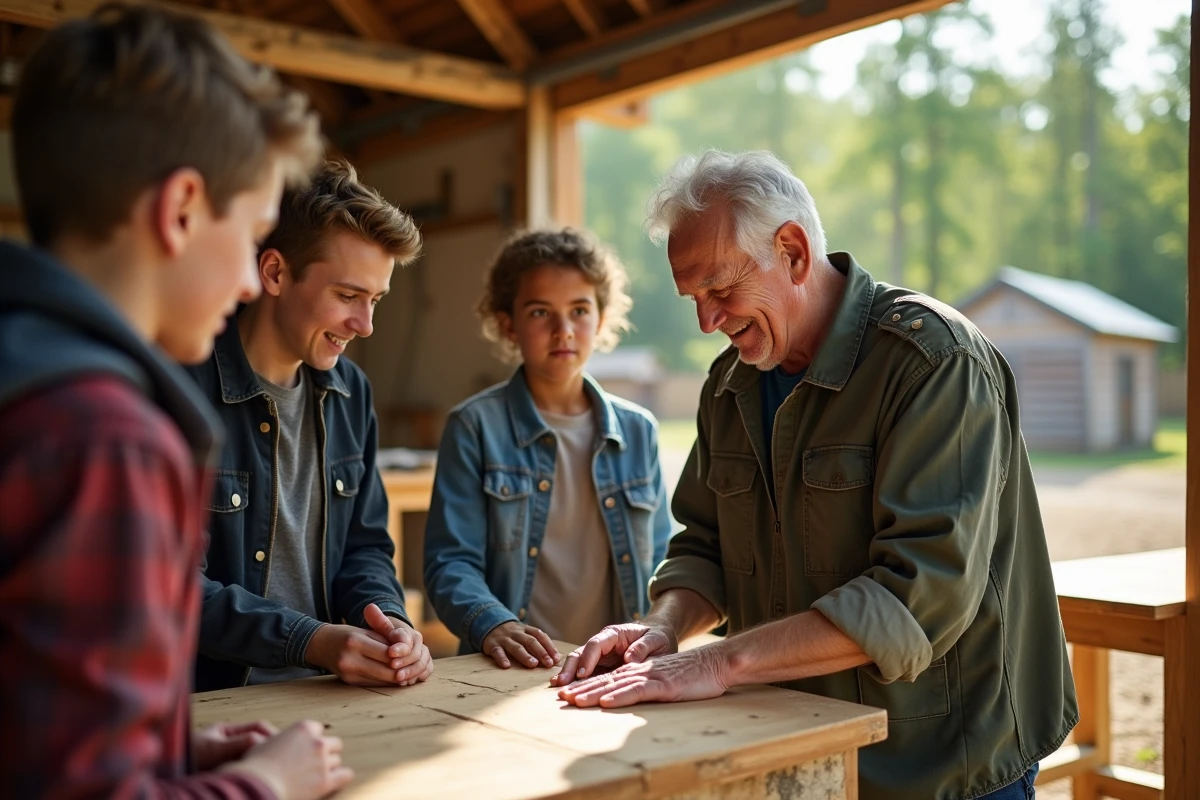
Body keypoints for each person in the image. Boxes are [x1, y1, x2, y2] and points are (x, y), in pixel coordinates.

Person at [553, 151, 1076, 800]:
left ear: (794, 252)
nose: (707, 322)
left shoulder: (934, 362)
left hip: (943, 763)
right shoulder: (729, 385)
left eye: (720, 289)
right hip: (796, 742)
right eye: (694, 299)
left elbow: (917, 596)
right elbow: (704, 547)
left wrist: (717, 661)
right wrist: (663, 629)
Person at [0, 5, 354, 798]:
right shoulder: (107, 437)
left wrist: (168, 750)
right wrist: (270, 782)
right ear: (182, 210)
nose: (243, 283)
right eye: (250, 229)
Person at [188, 159, 433, 691]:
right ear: (274, 273)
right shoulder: (185, 390)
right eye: (347, 296)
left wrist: (388, 620)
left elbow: (365, 549)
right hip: (213, 707)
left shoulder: (353, 393)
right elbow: (174, 589)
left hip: (328, 695)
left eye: (375, 301)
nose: (365, 325)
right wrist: (310, 640)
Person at [424, 228, 673, 669]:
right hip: (508, 667)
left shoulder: (639, 431)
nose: (563, 331)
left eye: (579, 310)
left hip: (614, 667)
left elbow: (662, 560)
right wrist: (492, 624)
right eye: (541, 312)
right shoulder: (474, 426)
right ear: (508, 324)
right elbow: (450, 564)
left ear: (600, 318)